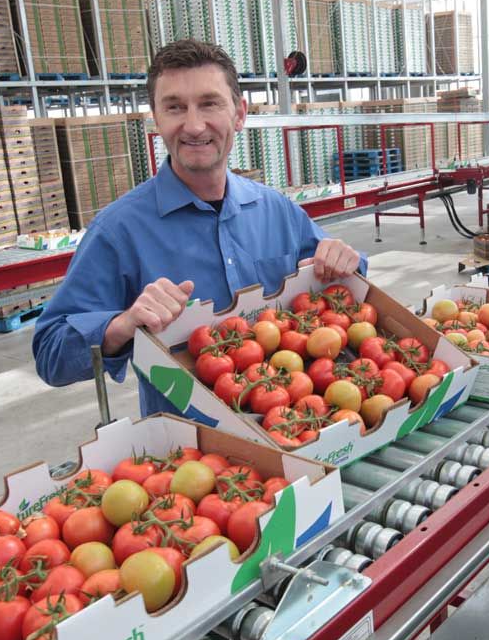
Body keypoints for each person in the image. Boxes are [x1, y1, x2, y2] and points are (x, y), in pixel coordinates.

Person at [32, 39, 366, 417]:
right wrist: (121, 324)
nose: (193, 125)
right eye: (175, 107)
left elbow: (347, 279)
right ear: (156, 120)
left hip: (297, 425)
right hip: (194, 454)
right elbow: (50, 353)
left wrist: (344, 258)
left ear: (239, 113)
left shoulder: (276, 210)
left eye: (210, 103)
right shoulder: (119, 231)